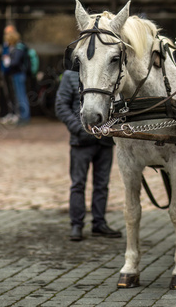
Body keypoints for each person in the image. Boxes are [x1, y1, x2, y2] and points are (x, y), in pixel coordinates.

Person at [55, 70, 121, 241]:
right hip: (80, 141)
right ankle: (76, 225)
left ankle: (99, 223)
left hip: (104, 140)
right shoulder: (70, 75)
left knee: (102, 184)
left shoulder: (106, 71)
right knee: (78, 184)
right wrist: (79, 129)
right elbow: (61, 106)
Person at [0, 25, 30, 125]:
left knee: (21, 96)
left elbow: (15, 62)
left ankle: (24, 117)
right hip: (17, 74)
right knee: (19, 96)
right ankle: (22, 116)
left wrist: (8, 62)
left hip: (18, 74)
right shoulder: (15, 47)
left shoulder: (18, 48)